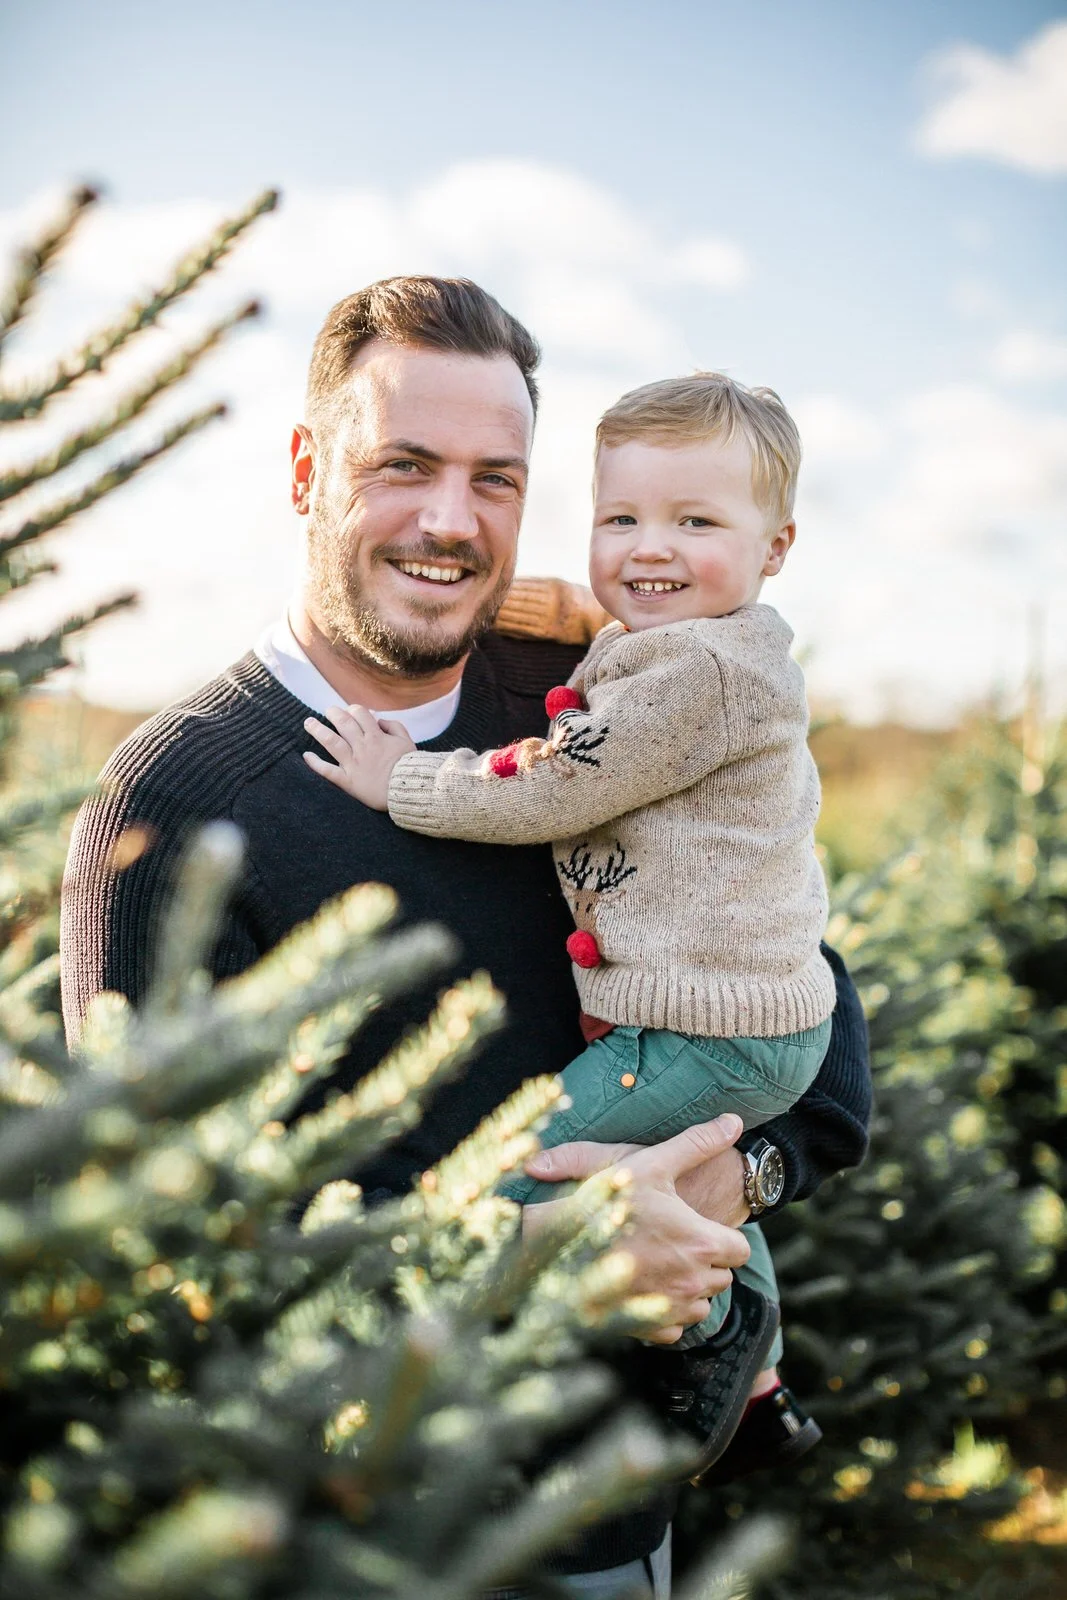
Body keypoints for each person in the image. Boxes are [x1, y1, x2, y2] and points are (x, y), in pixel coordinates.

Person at [60, 277, 871, 1600]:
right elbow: (158, 1266)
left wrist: (736, 1186)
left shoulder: (605, 702)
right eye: (403, 466)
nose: (449, 521)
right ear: (307, 468)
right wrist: (543, 1253)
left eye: (494, 479)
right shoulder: (174, 808)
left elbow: (810, 1016)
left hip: (613, 1518)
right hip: (358, 1540)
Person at [299, 369, 834, 1481]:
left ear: (773, 547)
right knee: (683, 1165)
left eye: (694, 521)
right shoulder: (690, 647)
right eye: (620, 518)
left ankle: (708, 1342)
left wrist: (404, 783)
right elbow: (623, 643)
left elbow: (554, 787)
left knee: (527, 1177)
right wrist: (550, 600)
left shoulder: (696, 672)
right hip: (743, 1022)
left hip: (691, 1034)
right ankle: (767, 1397)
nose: (650, 546)